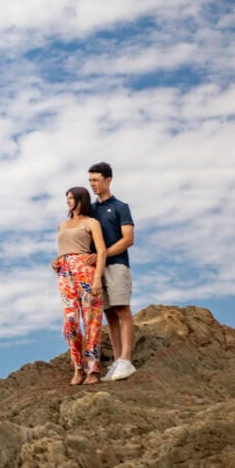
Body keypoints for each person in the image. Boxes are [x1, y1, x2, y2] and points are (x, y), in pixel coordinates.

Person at [50, 186, 107, 385]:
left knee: (92, 321)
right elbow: (62, 250)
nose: (69, 201)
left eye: (72, 198)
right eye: (67, 198)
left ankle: (93, 370)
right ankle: (78, 366)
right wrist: (55, 262)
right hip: (65, 274)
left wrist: (98, 278)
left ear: (81, 199)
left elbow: (101, 251)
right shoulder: (62, 225)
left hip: (85, 271)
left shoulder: (92, 223)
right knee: (70, 323)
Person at [87, 162, 136, 382]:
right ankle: (117, 360)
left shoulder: (120, 207)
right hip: (97, 270)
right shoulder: (90, 210)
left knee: (122, 310)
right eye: (90, 181)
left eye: (96, 180)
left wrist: (102, 254)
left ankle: (126, 360)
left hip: (117, 265)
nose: (92, 185)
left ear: (108, 180)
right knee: (109, 314)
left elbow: (128, 239)